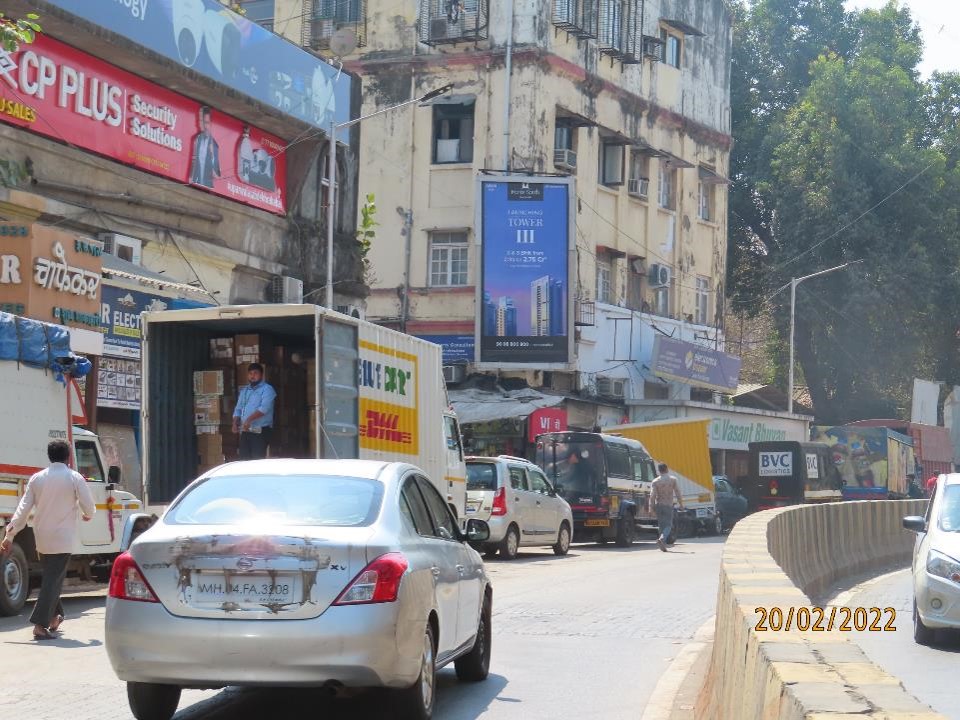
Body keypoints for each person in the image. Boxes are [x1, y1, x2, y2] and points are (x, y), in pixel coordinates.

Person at [0, 440, 95, 640]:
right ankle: (40, 625)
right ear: (68, 456)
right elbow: (89, 506)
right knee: (53, 580)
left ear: (49, 456)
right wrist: (88, 514)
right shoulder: (74, 478)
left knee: (52, 578)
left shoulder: (37, 478)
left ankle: (55, 617)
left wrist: (10, 535)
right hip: (63, 538)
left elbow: (22, 510)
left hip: (41, 538)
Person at [233, 363, 277, 460]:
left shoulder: (267, 389)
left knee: (257, 460)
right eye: (250, 373)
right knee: (244, 459)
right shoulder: (244, 391)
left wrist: (249, 420)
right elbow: (238, 408)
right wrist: (235, 422)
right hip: (246, 430)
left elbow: (264, 409)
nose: (252, 376)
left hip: (260, 431)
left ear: (261, 375)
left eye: (255, 373)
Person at [649, 462, 684, 552]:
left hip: (659, 505)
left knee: (661, 525)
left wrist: (651, 508)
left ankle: (662, 545)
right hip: (668, 505)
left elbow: (652, 495)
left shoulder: (655, 481)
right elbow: (677, 492)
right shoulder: (672, 480)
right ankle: (662, 538)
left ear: (659, 470)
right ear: (667, 469)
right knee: (668, 525)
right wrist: (681, 504)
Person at [189, 106, 221, 188]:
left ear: (210, 124)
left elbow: (217, 175)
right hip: (195, 183)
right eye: (201, 121)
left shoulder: (214, 145)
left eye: (206, 122)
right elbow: (194, 162)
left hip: (207, 187)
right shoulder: (197, 139)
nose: (203, 125)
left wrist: (212, 157)